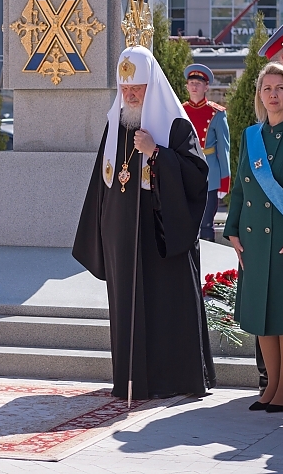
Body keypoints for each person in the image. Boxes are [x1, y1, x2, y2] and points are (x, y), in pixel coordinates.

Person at [72, 44, 216, 400]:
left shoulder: (175, 125)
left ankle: (172, 381)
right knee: (126, 310)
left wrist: (157, 153)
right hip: (121, 236)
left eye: (136, 88)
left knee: (163, 309)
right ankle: (129, 379)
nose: (130, 95)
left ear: (152, 87)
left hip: (161, 237)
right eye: (124, 89)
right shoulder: (116, 125)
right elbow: (101, 184)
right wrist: (99, 235)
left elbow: (198, 177)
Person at [224, 62, 283, 413]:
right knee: (261, 314)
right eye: (267, 88)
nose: (273, 94)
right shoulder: (252, 136)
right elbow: (239, 189)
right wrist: (232, 230)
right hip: (253, 238)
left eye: (280, 88)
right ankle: (269, 387)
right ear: (259, 95)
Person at [182, 63, 231, 242]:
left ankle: (207, 266)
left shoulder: (216, 113)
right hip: (185, 172)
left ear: (206, 86)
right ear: (187, 86)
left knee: (206, 225)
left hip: (210, 174)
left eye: (198, 83)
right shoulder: (180, 111)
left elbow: (224, 148)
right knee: (186, 224)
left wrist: (224, 181)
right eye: (191, 82)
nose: (194, 86)